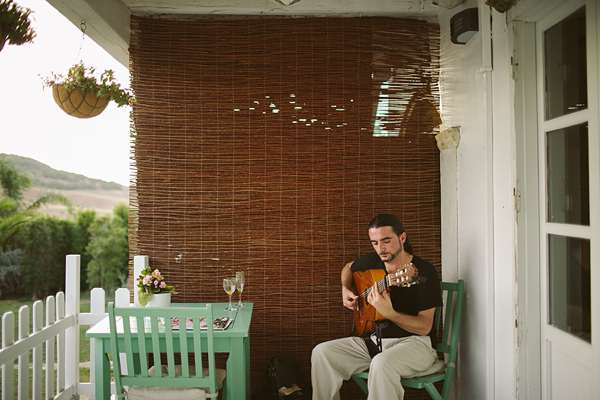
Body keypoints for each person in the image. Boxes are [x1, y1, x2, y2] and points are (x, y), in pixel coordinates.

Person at [311, 213, 442, 400]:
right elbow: (348, 268)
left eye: (386, 241)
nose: (380, 248)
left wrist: (390, 313)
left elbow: (424, 327)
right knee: (322, 353)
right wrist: (345, 288)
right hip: (375, 342)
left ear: (402, 237)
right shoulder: (373, 261)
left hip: (414, 345)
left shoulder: (424, 272)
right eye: (375, 242)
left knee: (381, 363)